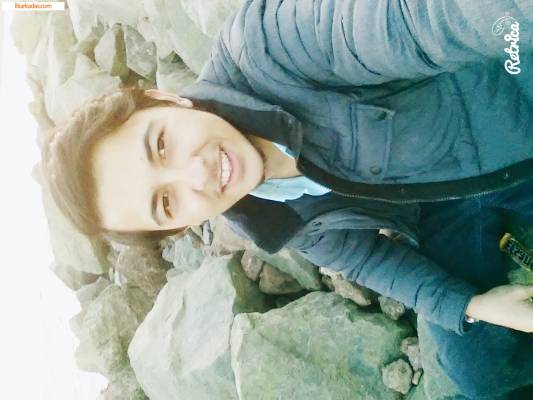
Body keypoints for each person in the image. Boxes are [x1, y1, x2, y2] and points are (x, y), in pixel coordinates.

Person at [41, 0, 533, 398]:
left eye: (162, 144)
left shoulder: (269, 48)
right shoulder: (263, 213)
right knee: (476, 371)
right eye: (166, 202)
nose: (197, 175)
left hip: (512, 110)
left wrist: (511, 22)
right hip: (447, 205)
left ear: (163, 100)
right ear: (178, 227)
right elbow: (364, 259)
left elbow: (423, 23)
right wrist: (470, 305)